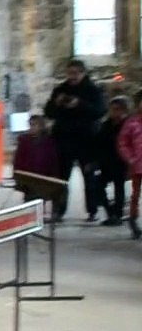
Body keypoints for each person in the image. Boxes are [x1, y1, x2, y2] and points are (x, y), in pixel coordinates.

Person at [42, 59, 105, 222]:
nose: (72, 77)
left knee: (89, 177)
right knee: (61, 178)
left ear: (83, 73)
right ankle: (59, 211)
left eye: (75, 73)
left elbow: (99, 111)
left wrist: (80, 104)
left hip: (86, 140)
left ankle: (92, 210)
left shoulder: (93, 90)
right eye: (69, 73)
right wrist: (56, 103)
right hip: (64, 140)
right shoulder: (60, 90)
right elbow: (49, 112)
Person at [93, 97, 130, 226]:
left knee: (119, 188)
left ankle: (118, 214)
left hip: (121, 162)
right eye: (112, 110)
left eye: (117, 110)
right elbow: (99, 143)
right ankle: (111, 211)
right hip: (106, 162)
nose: (114, 113)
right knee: (97, 186)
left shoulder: (128, 125)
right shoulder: (106, 125)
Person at [13, 114, 60, 205]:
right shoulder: (24, 141)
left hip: (43, 176)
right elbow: (18, 159)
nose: (32, 128)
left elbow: (52, 159)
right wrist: (17, 174)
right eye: (31, 125)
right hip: (28, 175)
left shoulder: (48, 141)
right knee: (29, 198)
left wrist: (54, 175)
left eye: (35, 125)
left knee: (41, 198)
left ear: (41, 126)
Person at [115, 89, 142, 239]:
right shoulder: (132, 122)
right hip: (137, 165)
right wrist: (130, 158)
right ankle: (133, 219)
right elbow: (122, 143)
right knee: (135, 195)